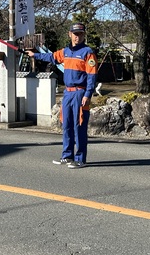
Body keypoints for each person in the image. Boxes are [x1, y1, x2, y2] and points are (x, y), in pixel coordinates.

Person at [27, 23, 98, 168]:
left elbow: (92, 75)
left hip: (80, 93)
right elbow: (52, 57)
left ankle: (80, 159)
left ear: (84, 35)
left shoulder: (87, 52)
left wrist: (88, 94)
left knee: (79, 126)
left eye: (80, 34)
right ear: (69, 34)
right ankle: (67, 156)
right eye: (75, 34)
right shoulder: (65, 51)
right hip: (68, 93)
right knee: (66, 125)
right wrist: (35, 55)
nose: (77, 37)